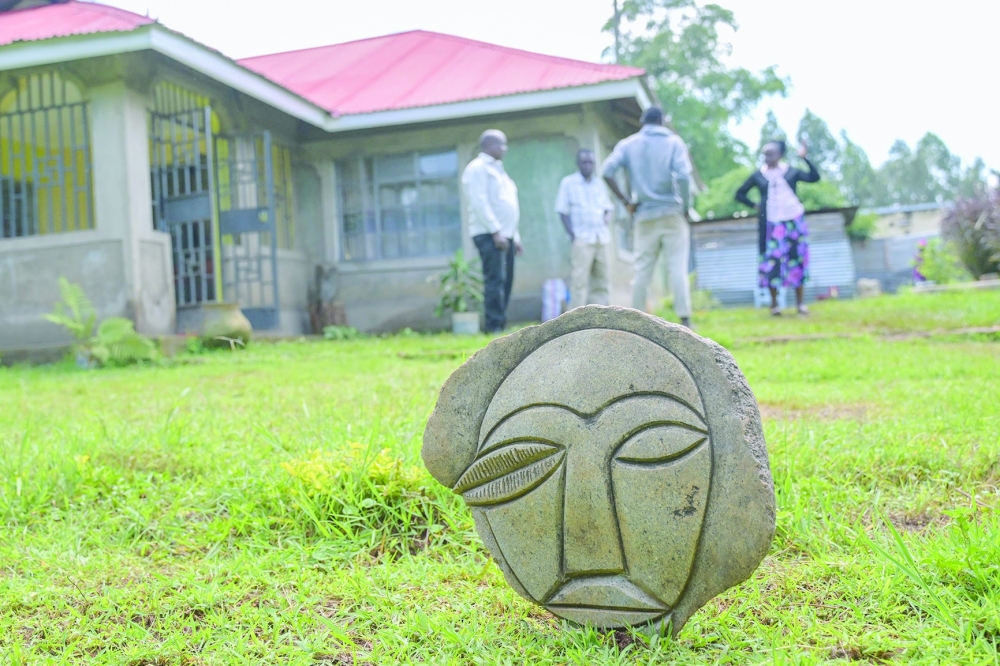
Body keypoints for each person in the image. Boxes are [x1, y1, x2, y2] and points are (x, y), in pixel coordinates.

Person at [602, 106, 694, 327]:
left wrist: (626, 203)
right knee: (677, 267)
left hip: (644, 214)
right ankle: (685, 319)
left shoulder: (628, 144)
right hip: (672, 211)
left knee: (642, 268)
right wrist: (686, 207)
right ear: (663, 121)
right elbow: (683, 175)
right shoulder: (674, 142)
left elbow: (607, 171)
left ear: (642, 121)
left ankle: (634, 320)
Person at [735, 140, 820, 316]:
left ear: (780, 154)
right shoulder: (759, 175)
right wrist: (755, 205)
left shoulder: (791, 172)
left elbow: (814, 177)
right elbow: (739, 194)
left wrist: (805, 158)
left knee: (796, 259)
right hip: (772, 224)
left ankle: (800, 304)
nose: (767, 157)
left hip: (794, 220)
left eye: (771, 153)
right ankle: (774, 305)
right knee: (772, 261)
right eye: (765, 154)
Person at [462, 129, 523, 333]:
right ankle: (493, 326)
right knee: (495, 280)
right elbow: (479, 201)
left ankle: (501, 323)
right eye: (501, 144)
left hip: (506, 235)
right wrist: (496, 231)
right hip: (489, 234)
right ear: (489, 146)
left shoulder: (499, 170)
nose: (504, 149)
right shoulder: (477, 168)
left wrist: (516, 236)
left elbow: (508, 205)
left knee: (507, 281)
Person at [555, 149, 614, 308]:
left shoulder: (599, 184)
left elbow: (608, 208)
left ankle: (602, 317)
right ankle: (576, 320)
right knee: (579, 281)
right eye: (584, 162)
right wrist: (573, 235)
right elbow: (562, 211)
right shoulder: (568, 183)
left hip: (601, 238)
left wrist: (606, 219)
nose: (588, 166)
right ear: (578, 164)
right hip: (582, 239)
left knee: (602, 280)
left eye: (591, 162)